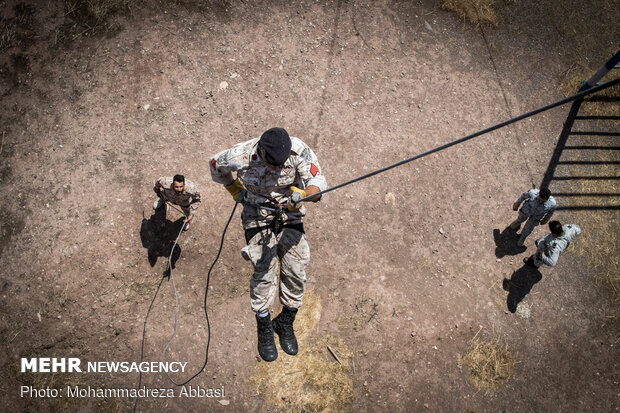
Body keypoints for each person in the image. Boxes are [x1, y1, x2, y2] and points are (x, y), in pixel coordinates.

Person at [210, 127, 327, 362]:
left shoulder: (298, 150)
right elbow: (215, 165)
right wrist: (234, 189)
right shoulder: (240, 155)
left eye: (280, 164)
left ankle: (285, 321)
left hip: (289, 210)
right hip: (256, 211)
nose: (276, 168)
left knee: (296, 266)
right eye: (272, 163)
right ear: (261, 151)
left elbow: (317, 183)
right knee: (264, 269)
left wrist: (304, 194)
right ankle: (263, 325)